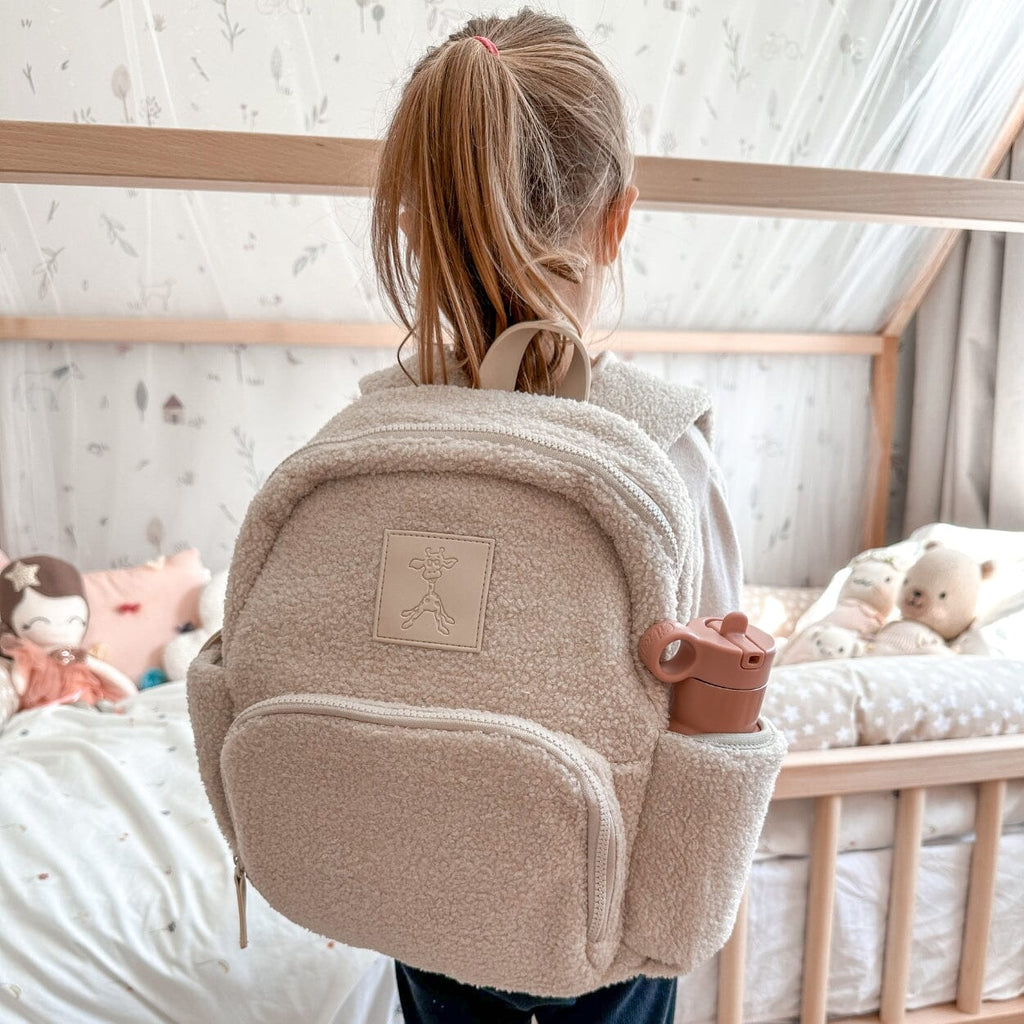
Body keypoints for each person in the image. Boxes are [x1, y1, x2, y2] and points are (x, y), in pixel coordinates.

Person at [367, 9, 743, 1023]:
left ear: (420, 216)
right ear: (617, 219)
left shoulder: (372, 430)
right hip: (599, 923)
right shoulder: (658, 442)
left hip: (425, 900)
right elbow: (716, 698)